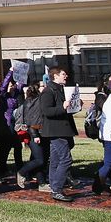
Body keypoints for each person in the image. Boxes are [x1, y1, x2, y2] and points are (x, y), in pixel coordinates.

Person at [38, 65, 76, 202]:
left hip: (61, 129)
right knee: (66, 159)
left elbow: (64, 110)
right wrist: (63, 107)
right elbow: (46, 111)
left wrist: (74, 106)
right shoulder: (48, 91)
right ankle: (57, 188)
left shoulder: (61, 90)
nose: (66, 76)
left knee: (55, 161)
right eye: (63, 74)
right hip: (55, 130)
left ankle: (54, 187)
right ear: (55, 76)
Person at [15, 85, 45, 189]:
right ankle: (22, 172)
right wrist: (35, 134)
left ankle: (41, 182)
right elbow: (31, 120)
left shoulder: (29, 102)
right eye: (42, 86)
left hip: (34, 133)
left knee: (38, 158)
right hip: (34, 133)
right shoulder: (34, 102)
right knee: (39, 160)